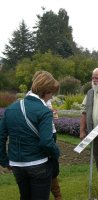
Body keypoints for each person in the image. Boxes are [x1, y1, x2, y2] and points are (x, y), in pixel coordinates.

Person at [0, 71, 60, 200]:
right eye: (52, 93)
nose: (51, 97)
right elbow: (46, 142)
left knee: (25, 196)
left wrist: (4, 160)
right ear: (46, 91)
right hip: (38, 163)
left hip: (16, 164)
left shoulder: (10, 109)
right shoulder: (44, 111)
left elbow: (1, 137)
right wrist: (56, 153)